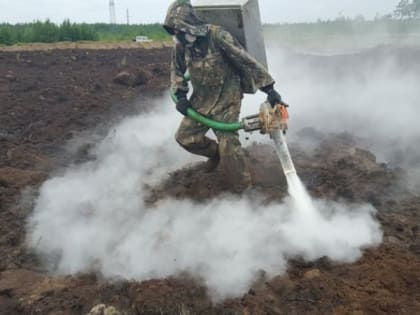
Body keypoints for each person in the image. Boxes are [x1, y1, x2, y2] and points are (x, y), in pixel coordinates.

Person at [163, 0, 285, 192]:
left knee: (229, 145)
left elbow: (246, 60)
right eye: (174, 32)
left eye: (179, 31)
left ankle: (243, 189)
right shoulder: (181, 44)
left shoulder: (217, 36)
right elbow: (176, 70)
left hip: (228, 98)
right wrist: (180, 94)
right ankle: (215, 153)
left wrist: (269, 89)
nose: (177, 36)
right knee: (185, 137)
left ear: (190, 27)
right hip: (201, 99)